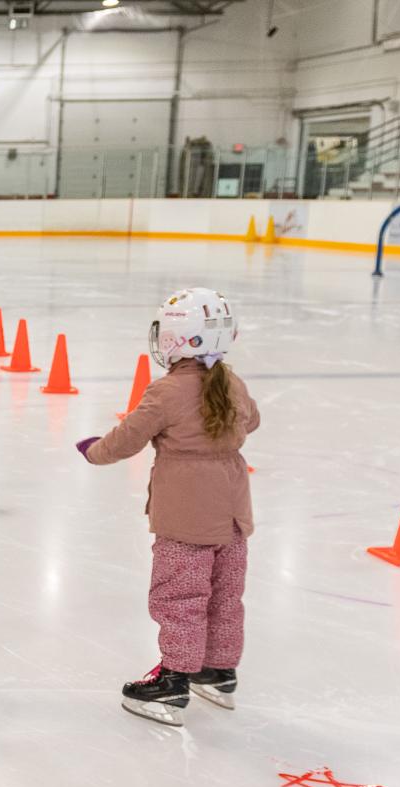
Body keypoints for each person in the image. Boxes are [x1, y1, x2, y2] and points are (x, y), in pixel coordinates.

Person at [76, 288, 260, 726]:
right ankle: (218, 673)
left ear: (178, 337)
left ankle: (174, 681)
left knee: (180, 596)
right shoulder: (231, 382)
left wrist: (93, 451)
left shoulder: (167, 392)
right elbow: (251, 421)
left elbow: (125, 441)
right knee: (224, 596)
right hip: (233, 514)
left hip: (186, 517)